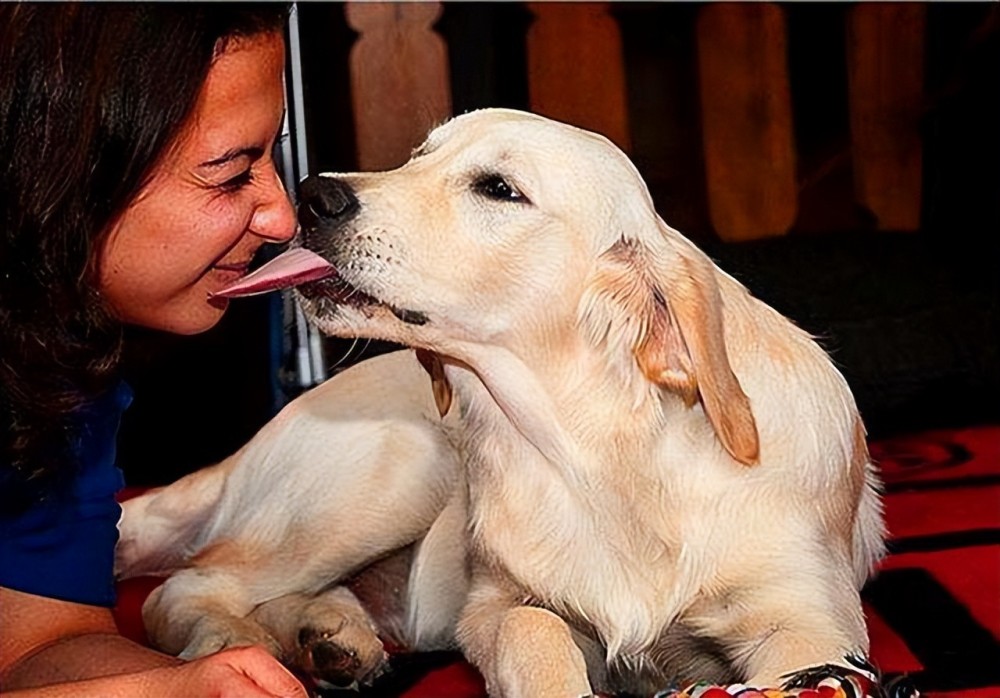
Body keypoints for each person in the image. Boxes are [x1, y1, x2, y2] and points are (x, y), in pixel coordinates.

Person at [0, 5, 308, 696]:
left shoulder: (65, 360)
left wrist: (197, 685)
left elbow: (37, 644)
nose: (281, 217)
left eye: (271, 155)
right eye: (231, 174)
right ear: (67, 167)